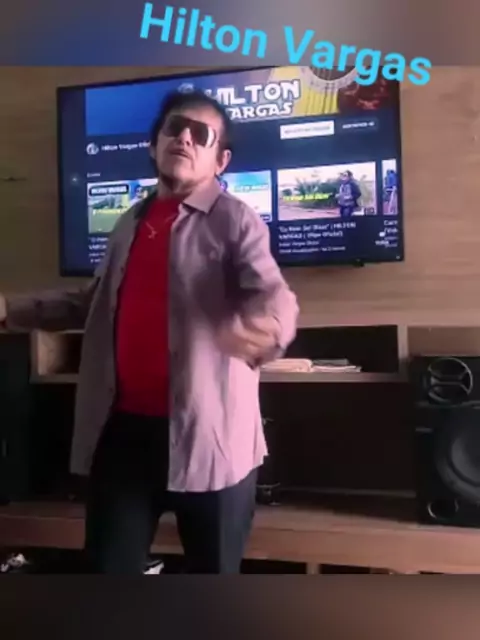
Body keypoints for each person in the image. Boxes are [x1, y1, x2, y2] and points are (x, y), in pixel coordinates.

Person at [0, 89, 299, 574]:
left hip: (211, 440)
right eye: (174, 128)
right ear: (154, 144)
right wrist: (8, 309)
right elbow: (92, 303)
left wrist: (269, 327)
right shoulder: (129, 222)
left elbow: (271, 292)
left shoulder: (236, 220)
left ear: (220, 160)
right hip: (123, 435)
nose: (185, 138)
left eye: (201, 134)